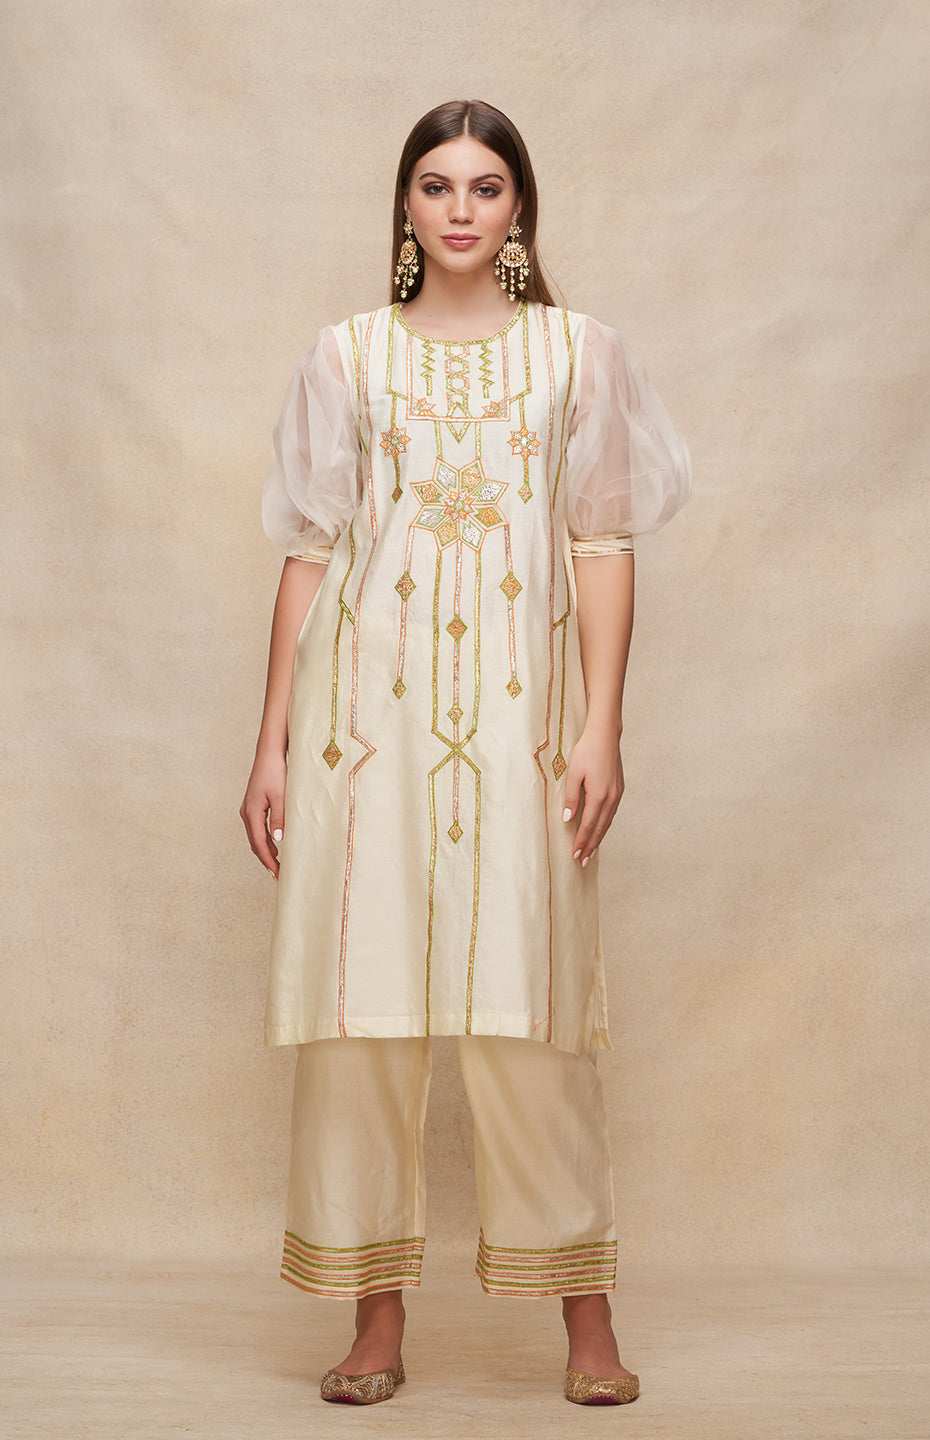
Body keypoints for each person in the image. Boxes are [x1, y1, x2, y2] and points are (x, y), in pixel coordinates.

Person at [240, 98, 692, 1407]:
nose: (459, 208)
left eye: (484, 187)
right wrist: (271, 743)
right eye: (436, 185)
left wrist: (601, 724)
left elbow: (601, 541)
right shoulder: (346, 356)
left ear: (518, 208)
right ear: (404, 204)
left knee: (530, 1014)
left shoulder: (577, 355)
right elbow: (311, 551)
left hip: (520, 726)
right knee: (361, 1018)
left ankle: (587, 1328)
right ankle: (374, 1322)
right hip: (360, 730)